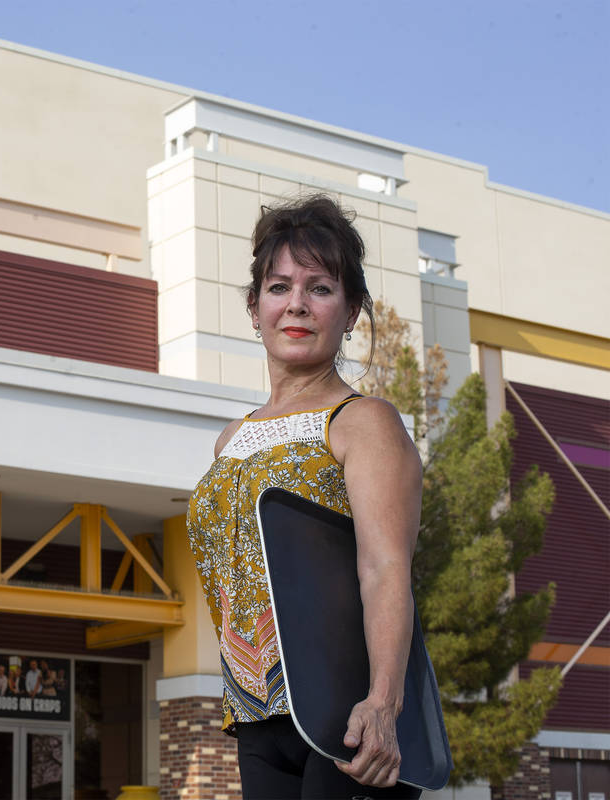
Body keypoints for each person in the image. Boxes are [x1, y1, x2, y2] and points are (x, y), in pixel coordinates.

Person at [186, 195, 422, 799]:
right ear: (254, 305)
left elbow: (385, 567)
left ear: (350, 311)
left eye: (320, 288)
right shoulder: (231, 441)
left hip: (346, 714)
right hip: (256, 715)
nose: (296, 304)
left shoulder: (362, 421)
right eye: (279, 286)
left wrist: (382, 704)